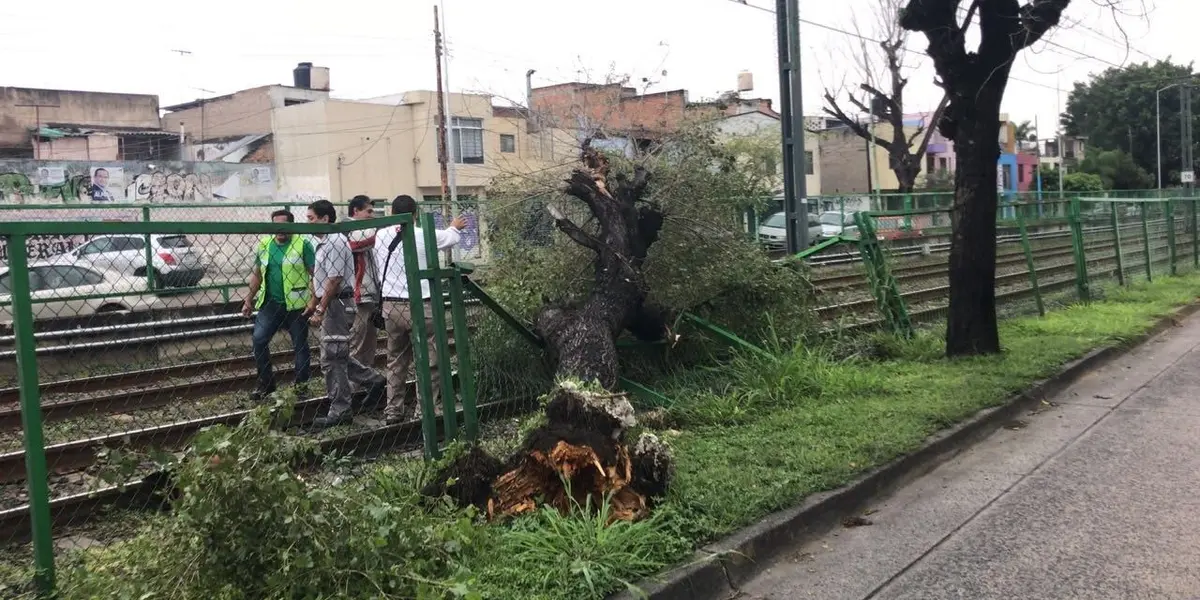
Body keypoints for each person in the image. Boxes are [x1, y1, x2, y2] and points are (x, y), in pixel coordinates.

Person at [374, 195, 466, 425]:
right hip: (420, 304)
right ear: (415, 214)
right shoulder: (423, 234)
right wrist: (454, 226)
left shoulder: (381, 236)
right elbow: (450, 238)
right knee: (428, 359)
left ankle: (393, 410)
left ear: (391, 212)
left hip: (390, 305)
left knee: (395, 360)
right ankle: (423, 410)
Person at [307, 199, 386, 428]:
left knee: (332, 357)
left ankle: (340, 408)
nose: (308, 223)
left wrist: (321, 308)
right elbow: (322, 278)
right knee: (336, 355)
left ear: (325, 219)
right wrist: (315, 302)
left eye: (311, 218)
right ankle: (373, 380)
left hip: (337, 305)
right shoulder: (324, 242)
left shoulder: (335, 242)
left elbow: (335, 279)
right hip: (333, 303)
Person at [242, 209, 315, 401]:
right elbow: (257, 274)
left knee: (300, 346)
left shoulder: (303, 244)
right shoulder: (264, 245)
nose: (280, 230)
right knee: (259, 340)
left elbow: (314, 273)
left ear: (291, 225)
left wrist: (313, 300)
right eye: (276, 225)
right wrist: (249, 298)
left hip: (297, 306)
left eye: (284, 225)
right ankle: (266, 384)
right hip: (270, 304)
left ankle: (301, 388)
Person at [346, 195, 380, 375]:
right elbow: (357, 244)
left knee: (369, 340)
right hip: (359, 293)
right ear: (355, 211)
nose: (371, 215)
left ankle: (367, 379)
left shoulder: (366, 229)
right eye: (368, 211)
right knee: (358, 339)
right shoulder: (348, 230)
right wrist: (379, 231)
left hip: (370, 292)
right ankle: (353, 382)